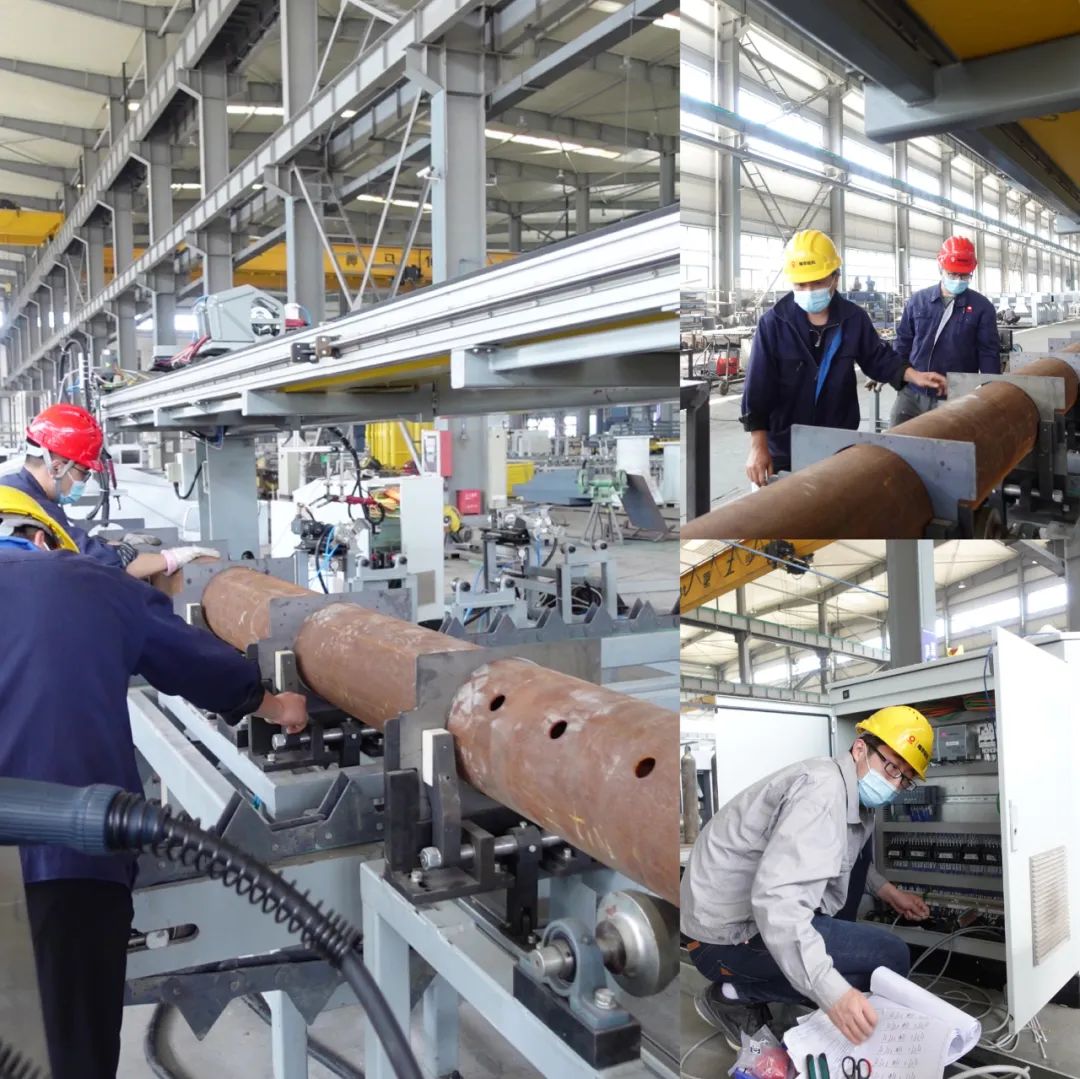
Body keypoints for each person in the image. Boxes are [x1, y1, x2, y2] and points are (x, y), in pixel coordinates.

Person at [0, 487, 309, 1079]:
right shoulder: (82, 580)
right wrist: (274, 704)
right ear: (42, 538)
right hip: (68, 866)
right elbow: (191, 662)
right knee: (69, 1050)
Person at [681, 707, 935, 1050]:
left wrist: (889, 893)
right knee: (890, 958)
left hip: (738, 923)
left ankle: (770, 990)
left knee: (864, 965)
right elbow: (778, 903)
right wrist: (833, 993)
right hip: (724, 940)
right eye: (892, 767)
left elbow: (844, 858)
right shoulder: (823, 792)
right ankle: (732, 995)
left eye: (904, 779)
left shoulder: (847, 792)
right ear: (860, 748)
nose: (893, 784)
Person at [741, 231, 947, 485]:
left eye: (817, 283)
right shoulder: (774, 323)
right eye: (800, 285)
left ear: (835, 278)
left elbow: (877, 357)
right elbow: (758, 387)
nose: (808, 291)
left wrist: (913, 375)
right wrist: (758, 445)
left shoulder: (852, 319)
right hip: (784, 447)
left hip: (837, 442)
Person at [1, 403, 217, 579]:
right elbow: (97, 563)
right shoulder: (32, 510)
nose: (84, 481)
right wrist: (172, 558)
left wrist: (112, 545)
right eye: (84, 472)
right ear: (57, 468)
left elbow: (73, 541)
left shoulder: (12, 491)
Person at [889, 236, 1000, 426]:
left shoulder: (982, 307)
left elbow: (988, 353)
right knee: (896, 437)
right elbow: (903, 342)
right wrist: (893, 373)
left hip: (956, 394)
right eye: (953, 274)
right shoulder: (918, 301)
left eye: (964, 276)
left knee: (950, 441)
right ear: (940, 267)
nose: (958, 280)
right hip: (913, 392)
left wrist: (991, 392)